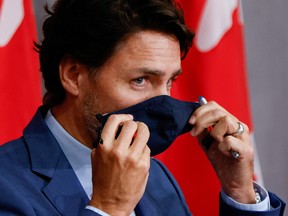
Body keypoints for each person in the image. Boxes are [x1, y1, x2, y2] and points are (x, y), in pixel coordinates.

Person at [0, 0, 285, 215]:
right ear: (74, 75)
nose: (164, 103)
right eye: (140, 80)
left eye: (170, 81)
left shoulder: (157, 177)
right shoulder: (6, 184)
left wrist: (241, 192)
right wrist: (109, 208)